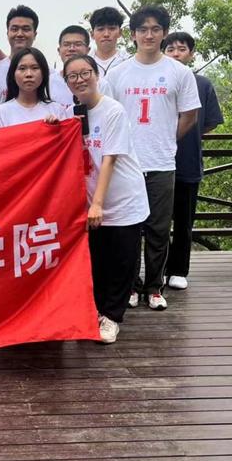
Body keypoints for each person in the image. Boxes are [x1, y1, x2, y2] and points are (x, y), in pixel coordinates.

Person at [106, 6, 201, 311]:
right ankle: (132, 286)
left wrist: (168, 139)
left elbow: (190, 114)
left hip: (162, 163)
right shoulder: (117, 73)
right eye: (143, 29)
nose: (149, 35)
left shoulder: (179, 72)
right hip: (126, 164)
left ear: (164, 33)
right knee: (129, 229)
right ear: (133, 34)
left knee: (159, 229)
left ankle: (154, 286)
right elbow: (108, 115)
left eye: (155, 29)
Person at [64, 54, 149, 343]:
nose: (80, 80)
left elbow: (109, 159)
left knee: (122, 262)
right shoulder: (71, 113)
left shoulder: (113, 110)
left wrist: (98, 203)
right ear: (67, 82)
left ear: (96, 75)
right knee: (97, 262)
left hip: (122, 200)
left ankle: (112, 317)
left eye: (85, 73)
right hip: (91, 202)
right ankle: (97, 312)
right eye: (73, 76)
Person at [162, 32, 225, 290]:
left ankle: (178, 270)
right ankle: (158, 269)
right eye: (170, 49)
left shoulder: (202, 84)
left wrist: (189, 134)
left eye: (182, 49)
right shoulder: (155, 83)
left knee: (184, 222)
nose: (176, 54)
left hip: (187, 162)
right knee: (156, 223)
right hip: (156, 163)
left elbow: (209, 122)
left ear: (192, 54)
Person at [0, 5, 40, 111]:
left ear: (35, 34)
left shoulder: (46, 72)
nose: (19, 34)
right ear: (7, 33)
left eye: (26, 29)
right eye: (14, 29)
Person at [0, 47, 68, 129]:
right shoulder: (0, 113)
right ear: (13, 74)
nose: (28, 74)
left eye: (35, 68)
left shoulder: (57, 110)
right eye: (22, 68)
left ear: (44, 73)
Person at [50, 25, 112, 104]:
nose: (71, 49)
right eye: (66, 44)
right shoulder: (48, 83)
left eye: (78, 44)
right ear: (59, 50)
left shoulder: (100, 84)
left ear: (88, 50)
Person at [88, 7, 131, 76]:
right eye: (100, 29)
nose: (106, 34)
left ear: (120, 32)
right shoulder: (84, 62)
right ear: (92, 34)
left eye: (112, 29)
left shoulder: (129, 61)